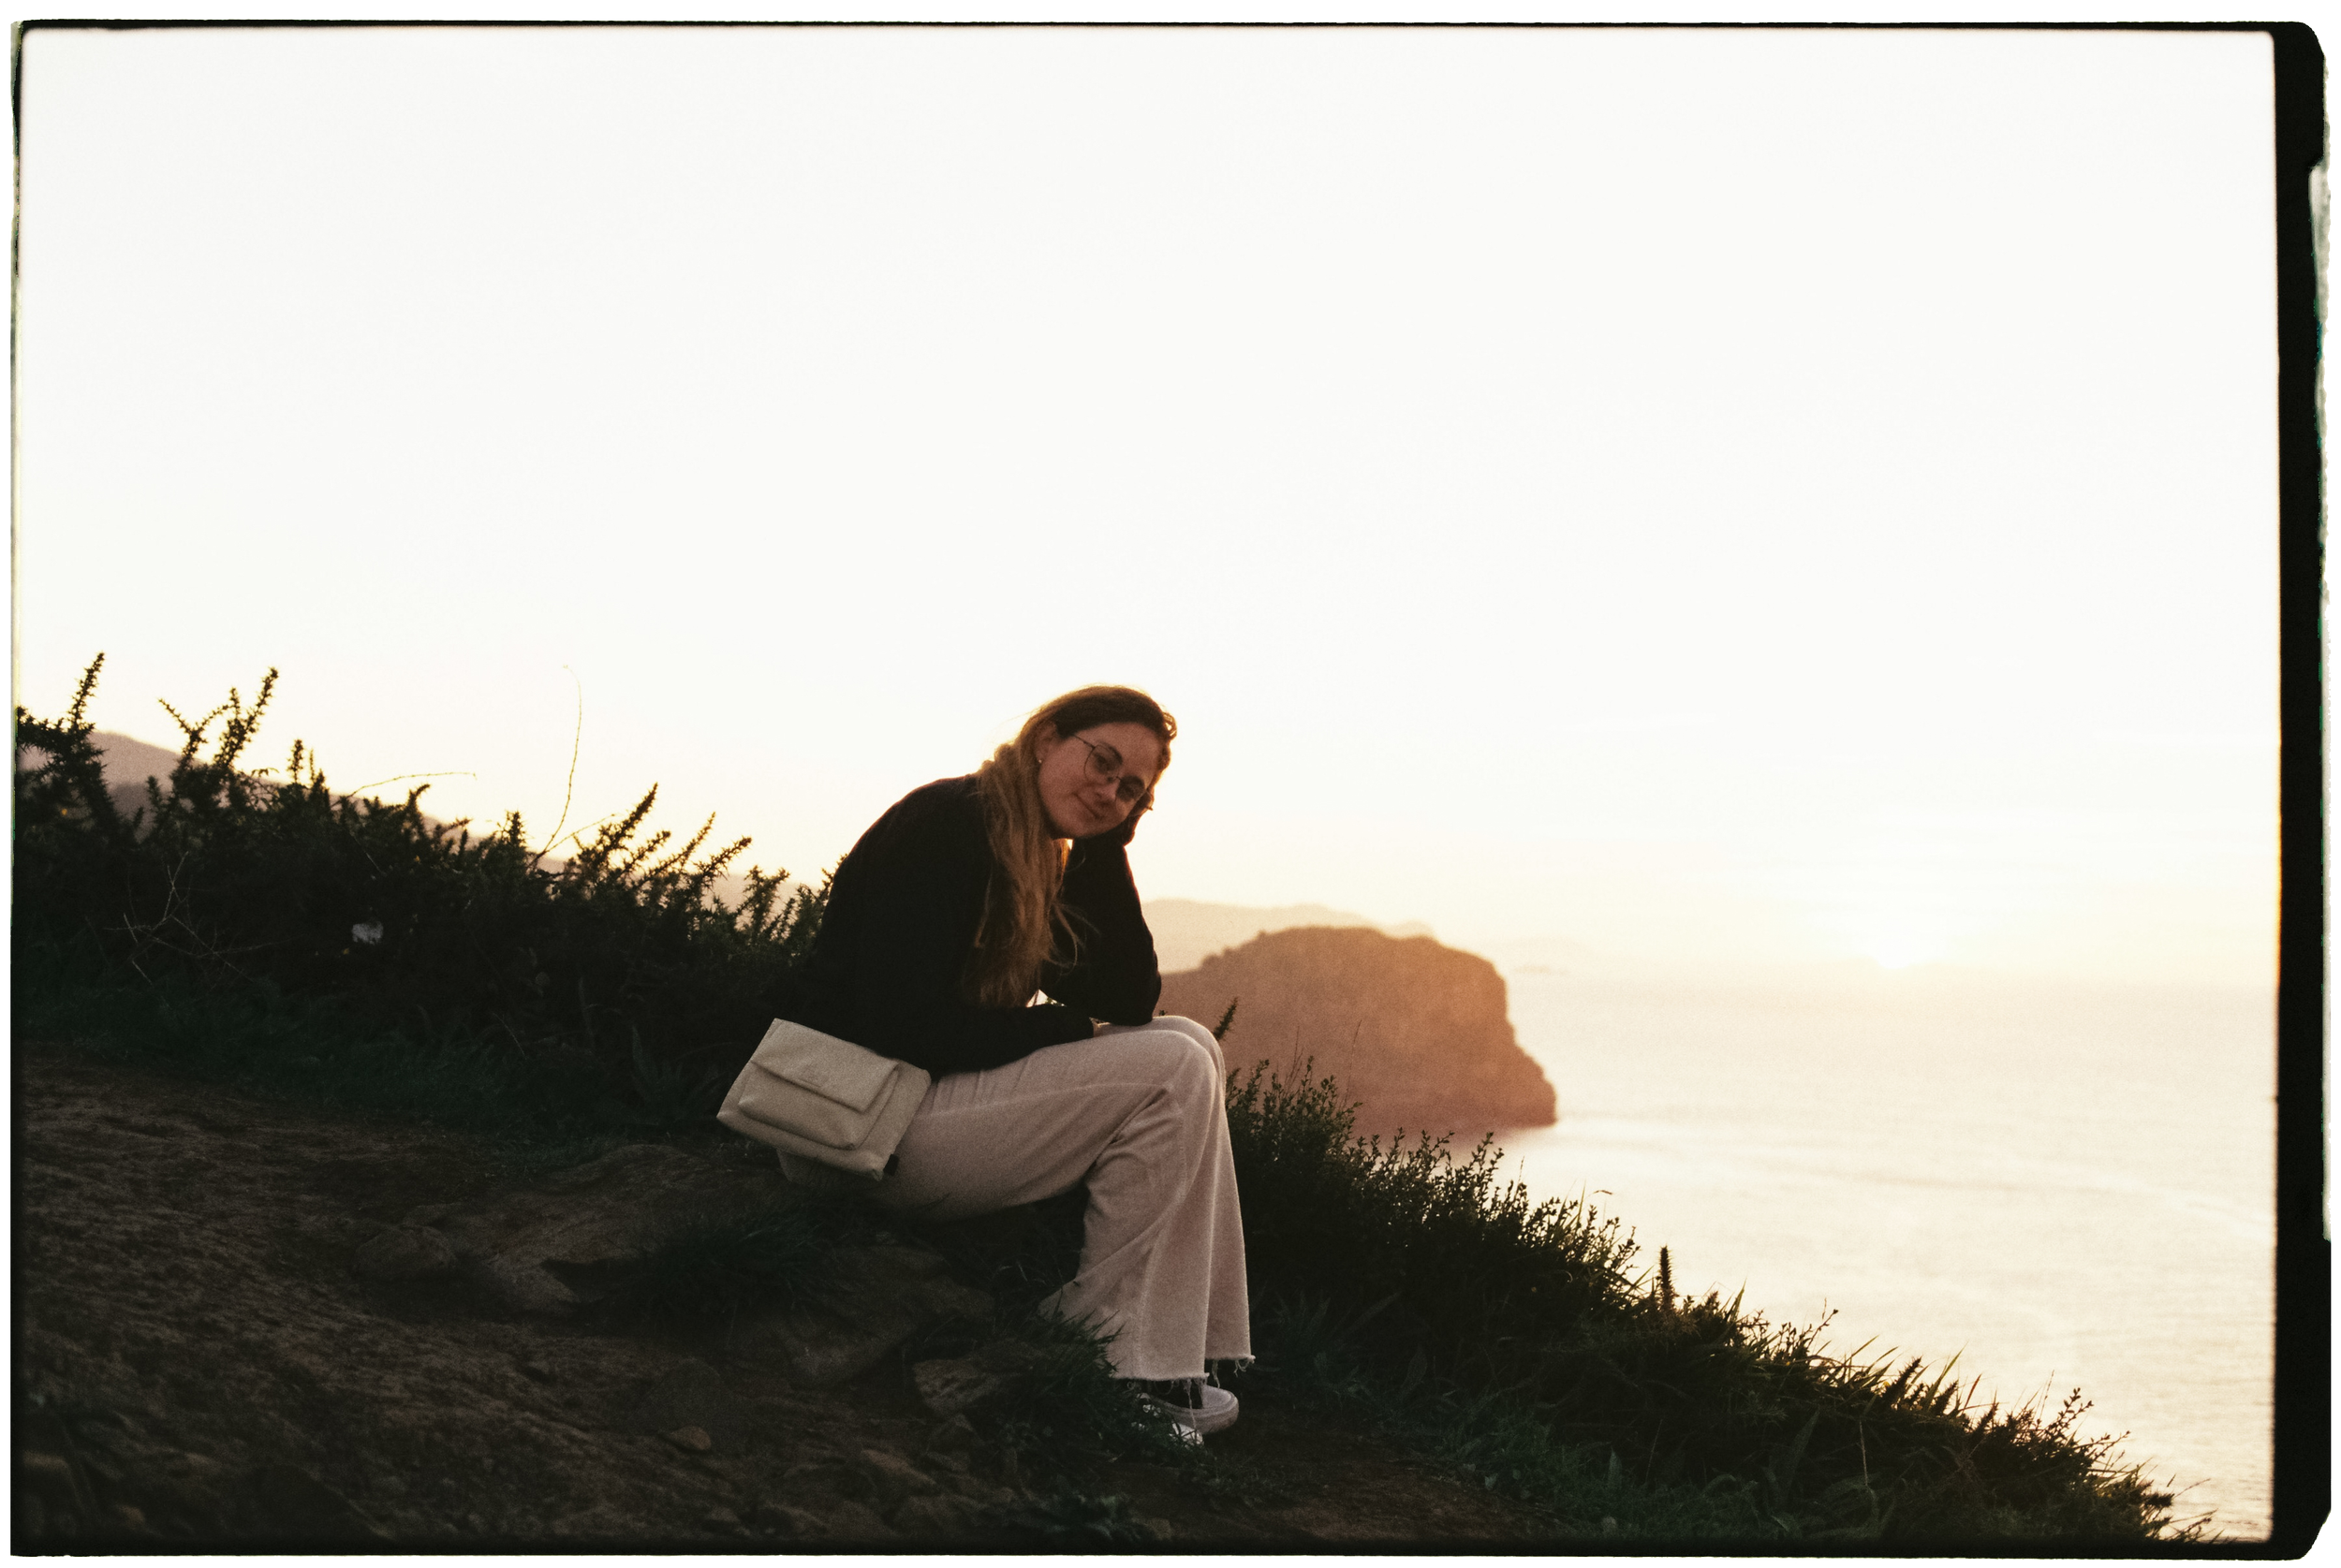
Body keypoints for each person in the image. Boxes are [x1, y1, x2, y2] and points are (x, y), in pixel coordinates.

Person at [779, 685, 1250, 1437]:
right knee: (1173, 1068)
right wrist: (1051, 1031)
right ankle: (1113, 1358)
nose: (1111, 789)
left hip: (917, 1106)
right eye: (1103, 761)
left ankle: (1172, 1351)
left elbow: (1129, 996)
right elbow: (900, 1022)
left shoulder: (1039, 858)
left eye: (1133, 789)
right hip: (858, 1123)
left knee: (1190, 1042)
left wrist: (1105, 846)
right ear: (1045, 740)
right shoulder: (950, 825)